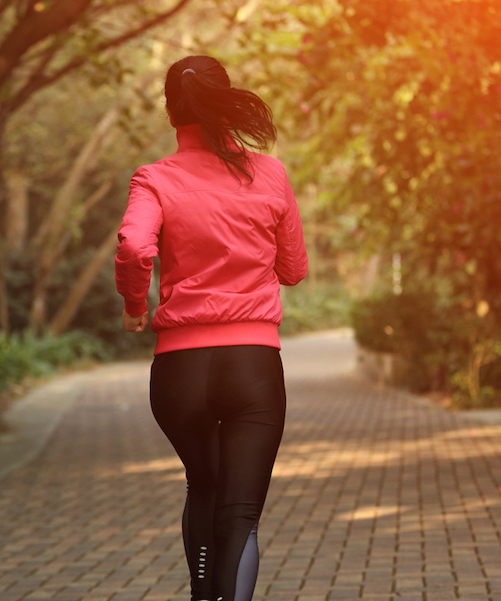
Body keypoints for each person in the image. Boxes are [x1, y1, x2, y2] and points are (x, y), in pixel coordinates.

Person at [115, 55, 308, 601]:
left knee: (204, 485)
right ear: (225, 103)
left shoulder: (154, 178)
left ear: (172, 113)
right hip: (252, 365)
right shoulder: (269, 172)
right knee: (240, 511)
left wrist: (135, 304)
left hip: (179, 370)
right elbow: (293, 269)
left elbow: (133, 246)